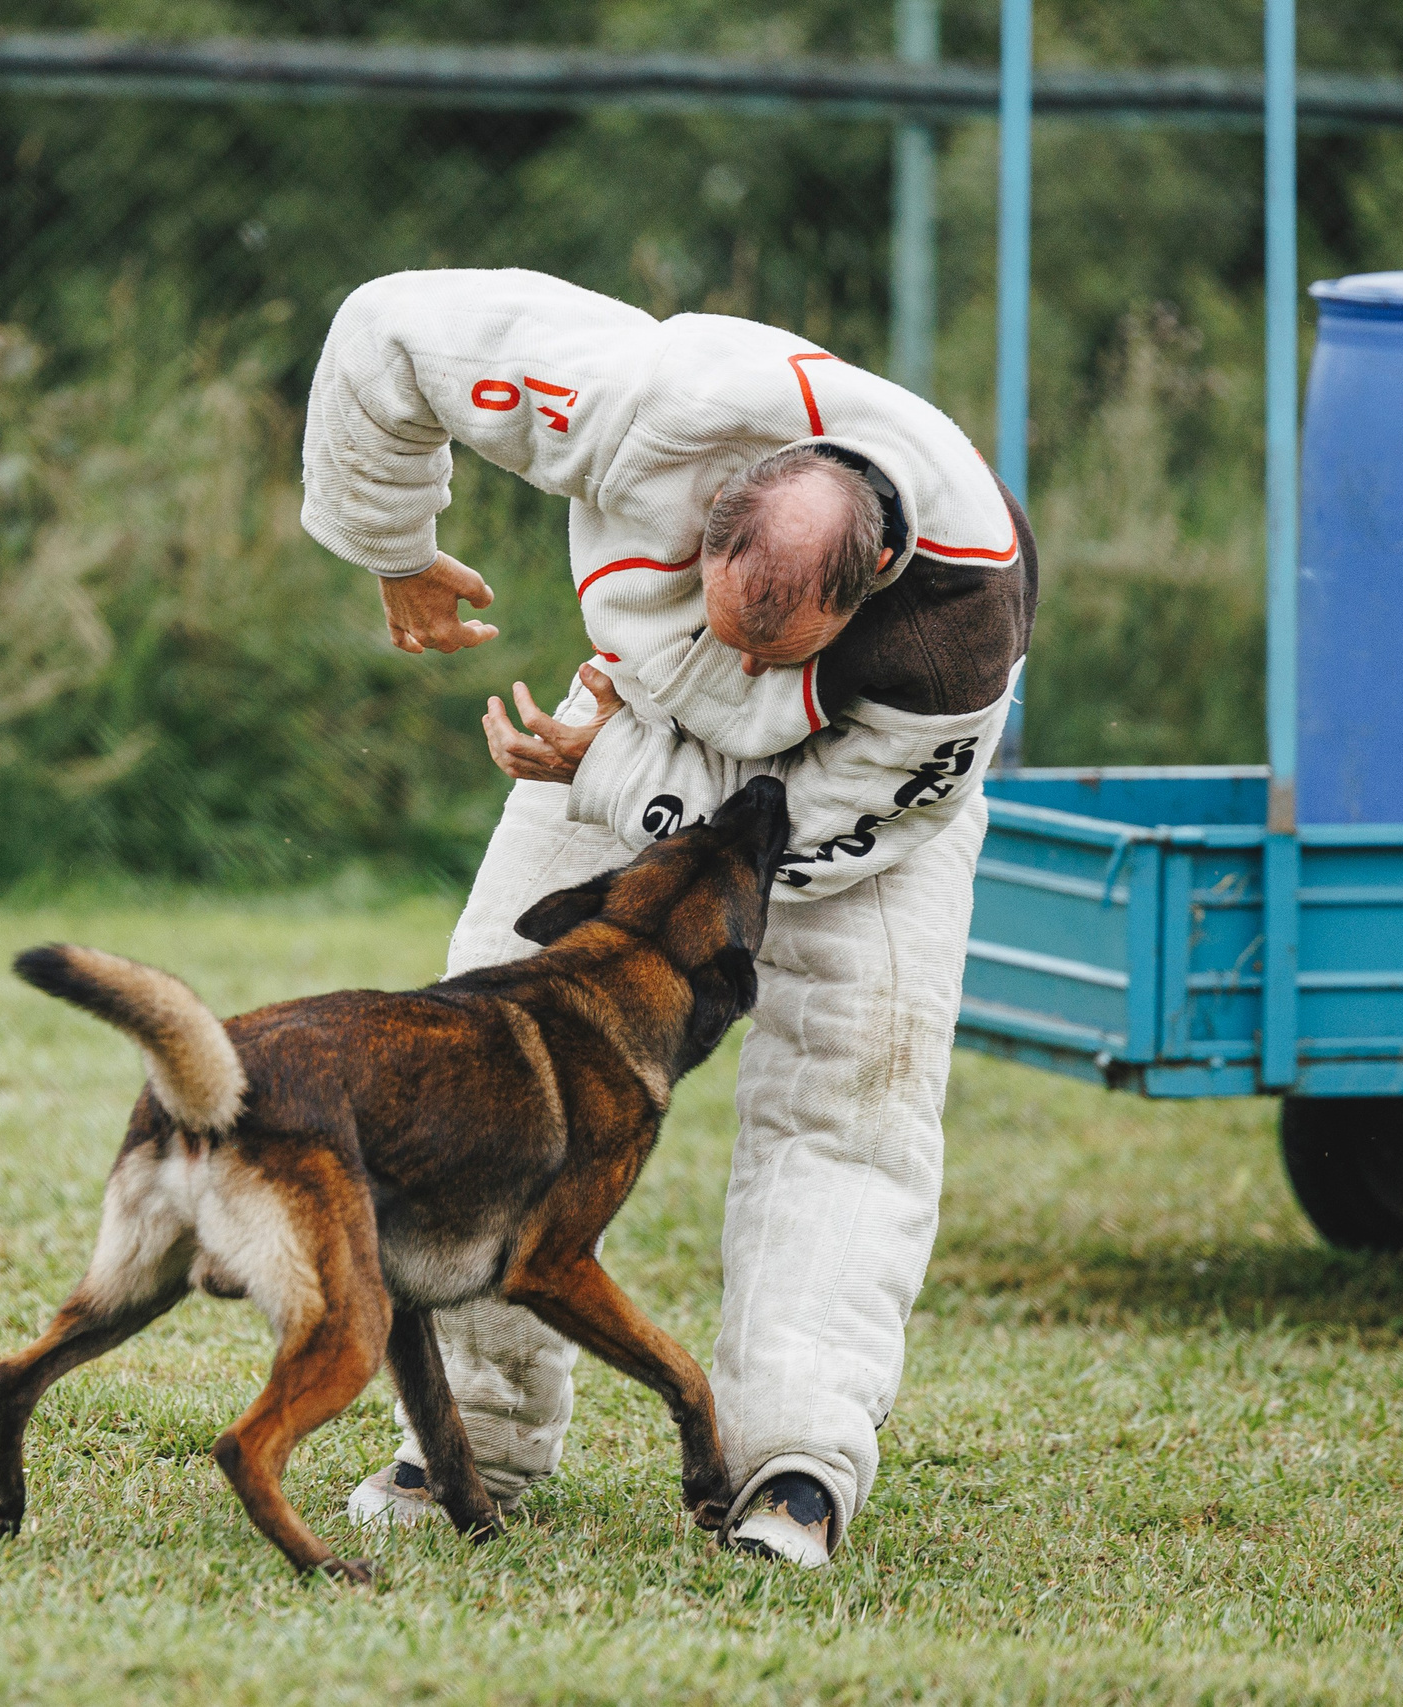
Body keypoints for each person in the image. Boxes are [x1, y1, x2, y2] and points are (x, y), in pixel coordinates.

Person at [299, 268, 1035, 1568]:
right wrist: (395, 549)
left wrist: (604, 771)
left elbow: (792, 847)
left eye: (778, 653)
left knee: (848, 1115)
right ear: (705, 527)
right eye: (728, 625)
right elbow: (386, 330)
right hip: (630, 728)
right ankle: (472, 1432)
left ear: (864, 595)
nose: (747, 665)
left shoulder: (952, 638)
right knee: (480, 1066)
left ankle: (795, 1468)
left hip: (853, 824)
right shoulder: (637, 402)